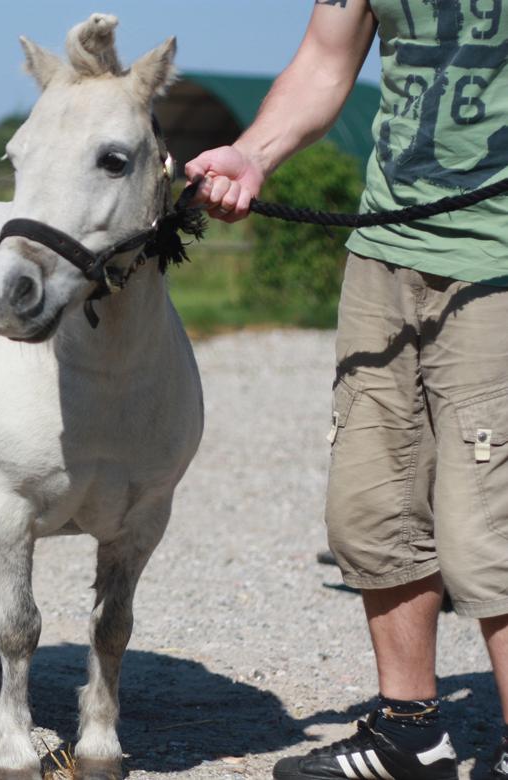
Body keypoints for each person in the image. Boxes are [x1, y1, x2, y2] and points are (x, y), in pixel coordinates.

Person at [185, 2, 508, 779]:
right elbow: (327, 62)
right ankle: (411, 734)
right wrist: (254, 154)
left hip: (500, 261)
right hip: (384, 254)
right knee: (372, 504)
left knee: (489, 529)